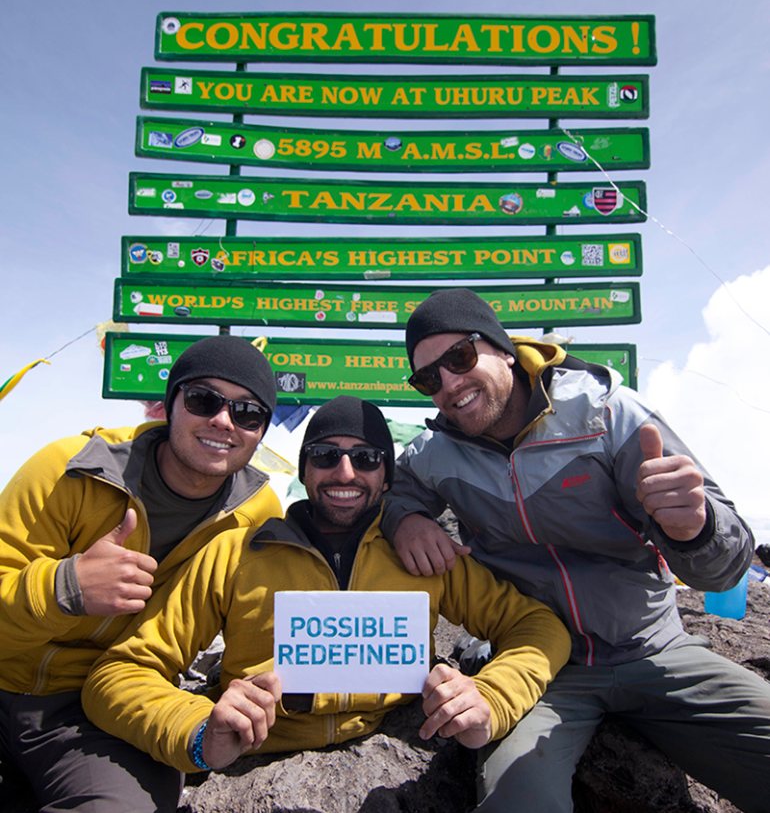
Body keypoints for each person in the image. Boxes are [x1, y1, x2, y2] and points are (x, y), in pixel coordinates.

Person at [380, 287, 770, 813]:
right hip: (543, 666)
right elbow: (388, 492)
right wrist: (405, 518)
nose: (449, 384)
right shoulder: (432, 453)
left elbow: (727, 567)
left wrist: (695, 528)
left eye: (460, 357)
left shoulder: (609, 413)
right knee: (516, 799)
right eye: (429, 378)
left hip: (654, 649)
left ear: (502, 348)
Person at [82, 395, 570, 807]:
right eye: (324, 454)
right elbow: (118, 675)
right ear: (304, 466)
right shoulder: (234, 553)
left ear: (386, 476)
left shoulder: (423, 554)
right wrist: (197, 729)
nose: (345, 472)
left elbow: (538, 627)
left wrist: (492, 698)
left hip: (396, 760)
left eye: (366, 459)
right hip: (253, 770)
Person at [0, 334, 283, 812]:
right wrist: (66, 587)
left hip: (95, 715)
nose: (222, 420)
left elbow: (251, 653)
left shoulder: (258, 516)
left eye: (247, 412)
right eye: (203, 399)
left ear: (260, 433)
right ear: (169, 405)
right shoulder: (70, 469)